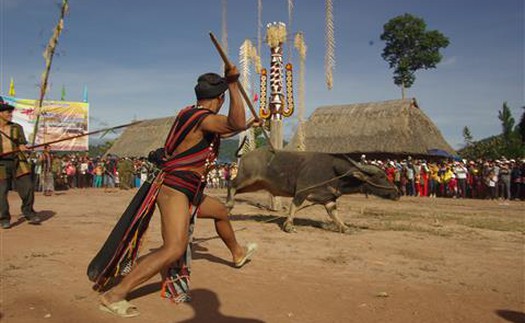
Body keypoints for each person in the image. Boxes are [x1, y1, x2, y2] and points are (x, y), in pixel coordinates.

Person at [96, 66, 258, 317]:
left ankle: (237, 252)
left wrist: (247, 124)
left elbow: (229, 126)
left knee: (221, 211)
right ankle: (114, 295)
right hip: (174, 188)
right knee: (174, 248)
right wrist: (234, 83)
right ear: (221, 99)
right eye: (226, 95)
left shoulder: (193, 115)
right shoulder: (201, 118)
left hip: (189, 189)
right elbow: (231, 122)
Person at [0, 97, 41, 229]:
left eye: (11, 113)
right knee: (1, 192)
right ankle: (4, 218)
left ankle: (29, 212)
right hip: (1, 164)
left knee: (28, 187)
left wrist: (23, 147)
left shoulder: (17, 127)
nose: (10, 115)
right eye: (8, 113)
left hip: (19, 161)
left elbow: (22, 143)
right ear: (1, 113)